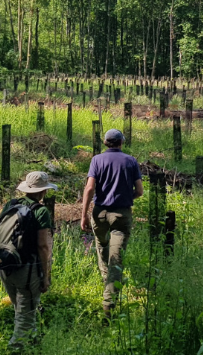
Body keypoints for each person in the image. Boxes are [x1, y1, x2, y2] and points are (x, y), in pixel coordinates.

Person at [79, 128, 143, 314]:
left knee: (101, 244)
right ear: (122, 142)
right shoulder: (131, 161)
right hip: (121, 215)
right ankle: (109, 304)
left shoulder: (97, 160)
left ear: (106, 142)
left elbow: (90, 189)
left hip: (99, 213)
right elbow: (139, 191)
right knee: (116, 258)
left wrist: (84, 214)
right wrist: (126, 198)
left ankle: (106, 279)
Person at [0, 171, 56, 351]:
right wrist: (45, 276)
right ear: (43, 191)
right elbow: (43, 246)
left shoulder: (10, 205)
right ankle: (16, 348)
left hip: (6, 265)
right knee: (25, 315)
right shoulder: (41, 211)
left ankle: (35, 345)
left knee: (22, 311)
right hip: (27, 271)